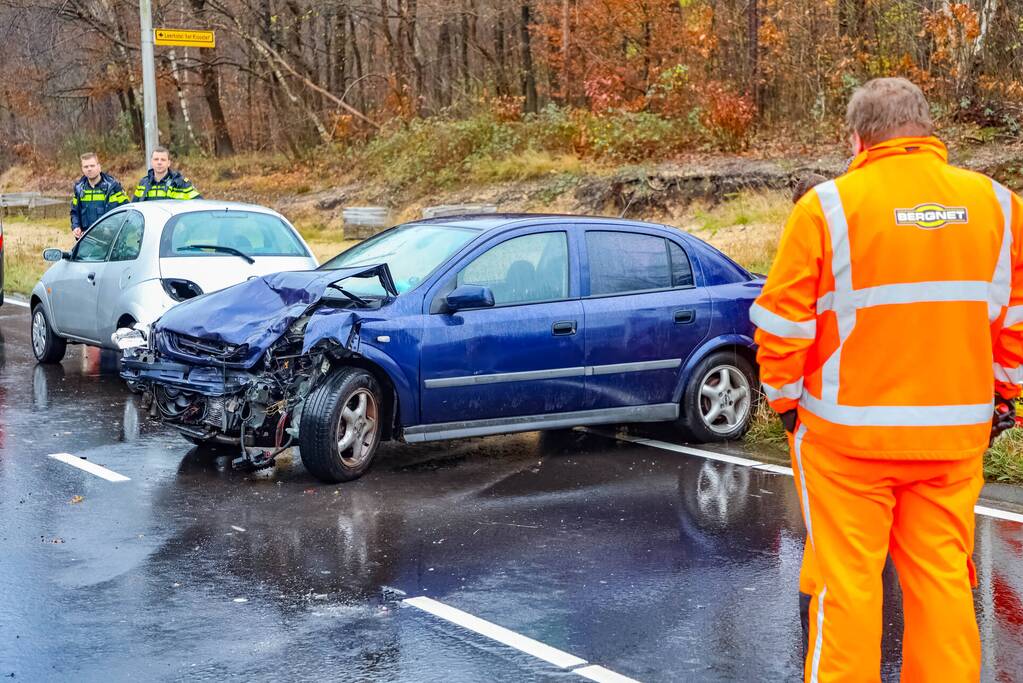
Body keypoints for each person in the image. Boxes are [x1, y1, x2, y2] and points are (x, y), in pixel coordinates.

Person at [752, 76, 1023, 681]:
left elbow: (781, 327)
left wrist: (786, 405)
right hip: (952, 441)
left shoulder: (826, 207)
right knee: (944, 586)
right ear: (927, 130)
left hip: (846, 445)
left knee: (846, 591)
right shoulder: (1000, 207)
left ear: (857, 138)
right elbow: (1016, 325)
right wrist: (1004, 399)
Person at [70, 153, 129, 239]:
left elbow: (126, 211)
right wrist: (76, 227)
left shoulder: (113, 187)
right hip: (86, 240)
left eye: (92, 166)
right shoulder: (79, 189)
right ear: (82, 169)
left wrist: (112, 230)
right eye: (86, 167)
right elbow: (74, 212)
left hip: (110, 240)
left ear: (99, 167)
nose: (89, 169)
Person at [131, 146, 201, 202]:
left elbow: (199, 204)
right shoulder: (143, 184)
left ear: (168, 163)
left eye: (163, 160)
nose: (159, 162)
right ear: (151, 162)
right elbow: (134, 208)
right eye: (156, 159)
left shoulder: (181, 183)